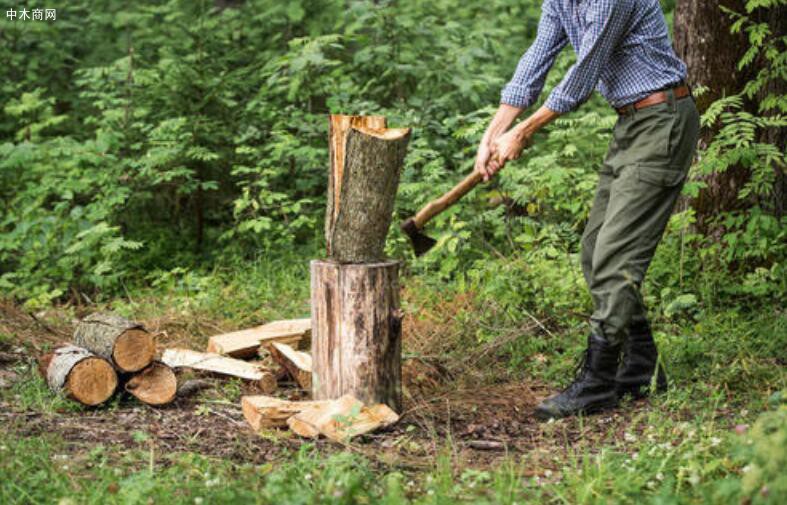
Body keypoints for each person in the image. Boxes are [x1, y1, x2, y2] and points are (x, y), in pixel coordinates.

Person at [474, 0, 700, 420]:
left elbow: (584, 72)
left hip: (662, 120)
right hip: (631, 122)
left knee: (615, 257)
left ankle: (597, 381)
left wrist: (522, 131)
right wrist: (492, 134)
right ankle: (641, 366)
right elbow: (536, 59)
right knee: (595, 249)